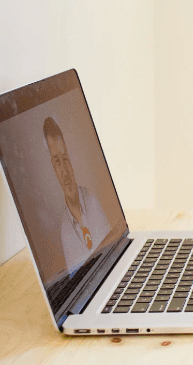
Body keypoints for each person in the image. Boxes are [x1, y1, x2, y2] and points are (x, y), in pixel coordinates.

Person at [43, 116, 111, 273]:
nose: (64, 171)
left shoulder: (94, 198)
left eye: (65, 158)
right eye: (57, 162)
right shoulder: (64, 232)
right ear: (53, 168)